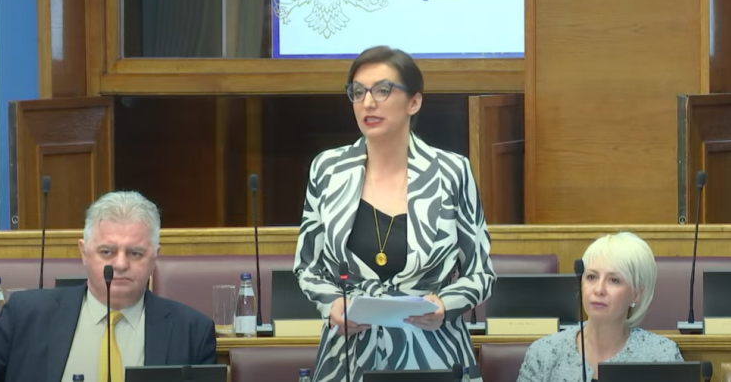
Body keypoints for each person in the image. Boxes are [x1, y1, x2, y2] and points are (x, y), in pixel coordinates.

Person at [293, 45, 496, 382]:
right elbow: (307, 267)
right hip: (348, 356)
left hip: (434, 352)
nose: (368, 103)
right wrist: (333, 305)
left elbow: (481, 273)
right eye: (358, 92)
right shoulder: (328, 169)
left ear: (414, 102)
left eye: (383, 90)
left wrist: (445, 305)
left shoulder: (451, 172)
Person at [0, 191, 216, 382]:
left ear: (155, 256)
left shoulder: (192, 332)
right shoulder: (25, 316)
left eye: (135, 253)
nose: (120, 264)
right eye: (107, 252)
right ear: (84, 253)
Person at [516, 232, 684, 382]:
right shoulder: (544, 353)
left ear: (636, 294)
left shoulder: (662, 355)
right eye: (591, 277)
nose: (599, 289)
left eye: (614, 280)